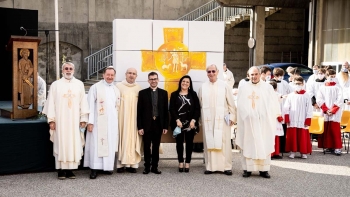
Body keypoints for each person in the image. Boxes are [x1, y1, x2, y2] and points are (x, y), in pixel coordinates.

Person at [43, 62, 89, 179]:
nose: (68, 71)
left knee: (74, 143)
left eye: (70, 69)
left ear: (74, 70)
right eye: (66, 69)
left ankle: (71, 170)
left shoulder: (79, 84)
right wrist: (51, 120)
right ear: (62, 70)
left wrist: (83, 118)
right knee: (61, 142)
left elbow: (83, 102)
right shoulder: (55, 85)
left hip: (75, 120)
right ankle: (61, 169)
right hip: (61, 120)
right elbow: (51, 103)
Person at [236, 66, 280, 179]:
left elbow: (273, 104)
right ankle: (247, 169)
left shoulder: (268, 88)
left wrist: (267, 115)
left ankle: (264, 169)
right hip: (248, 122)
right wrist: (248, 114)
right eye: (251, 74)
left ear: (260, 74)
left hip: (263, 122)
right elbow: (240, 105)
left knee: (264, 143)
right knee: (248, 144)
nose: (254, 76)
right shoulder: (244, 88)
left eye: (256, 74)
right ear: (248, 75)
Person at [198, 64, 236, 176]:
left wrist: (232, 117)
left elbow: (231, 104)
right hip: (208, 120)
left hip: (223, 119)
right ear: (207, 73)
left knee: (224, 142)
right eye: (209, 72)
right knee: (210, 141)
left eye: (213, 71)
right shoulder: (203, 87)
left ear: (217, 72)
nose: (211, 73)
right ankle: (210, 166)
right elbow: (200, 104)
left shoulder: (224, 86)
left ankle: (226, 167)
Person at [84, 66, 120, 179]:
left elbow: (116, 107)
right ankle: (94, 168)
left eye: (112, 75)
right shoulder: (95, 87)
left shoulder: (116, 89)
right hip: (98, 122)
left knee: (109, 144)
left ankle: (107, 167)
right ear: (103, 75)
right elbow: (89, 105)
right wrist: (89, 122)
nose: (110, 77)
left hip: (111, 123)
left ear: (114, 76)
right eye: (108, 75)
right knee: (96, 145)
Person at [137, 72, 169, 174]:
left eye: (155, 79)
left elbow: (165, 111)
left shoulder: (164, 93)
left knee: (156, 146)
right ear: (148, 81)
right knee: (146, 146)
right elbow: (139, 111)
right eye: (151, 79)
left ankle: (155, 167)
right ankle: (147, 167)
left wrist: (165, 126)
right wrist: (140, 126)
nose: (153, 81)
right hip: (146, 124)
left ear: (158, 80)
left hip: (158, 124)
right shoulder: (142, 93)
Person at [169, 75, 200, 173]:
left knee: (189, 143)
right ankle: (180, 162)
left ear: (190, 84)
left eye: (187, 82)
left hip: (190, 124)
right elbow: (172, 109)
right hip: (178, 123)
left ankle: (188, 162)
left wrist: (194, 120)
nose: (185, 83)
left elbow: (197, 109)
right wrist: (177, 120)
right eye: (183, 81)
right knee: (179, 143)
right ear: (180, 83)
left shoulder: (193, 94)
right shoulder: (174, 94)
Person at [116, 68, 142, 173]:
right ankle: (120, 164)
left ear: (136, 76)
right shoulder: (118, 87)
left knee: (134, 139)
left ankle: (133, 164)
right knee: (122, 138)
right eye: (129, 73)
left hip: (135, 119)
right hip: (122, 118)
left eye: (134, 74)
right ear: (125, 74)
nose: (131, 75)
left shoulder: (139, 88)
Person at [284, 76, 313, 159]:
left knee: (302, 136)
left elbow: (309, 109)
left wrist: (308, 120)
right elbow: (286, 107)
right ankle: (292, 151)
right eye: (296, 84)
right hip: (293, 118)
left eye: (299, 84)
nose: (298, 85)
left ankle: (303, 152)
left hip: (302, 118)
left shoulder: (306, 95)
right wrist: (287, 118)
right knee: (292, 135)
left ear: (303, 84)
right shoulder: (290, 95)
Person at [316, 69, 343, 156]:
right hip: (326, 111)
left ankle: (337, 148)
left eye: (334, 77)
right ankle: (328, 146)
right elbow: (319, 99)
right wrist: (326, 109)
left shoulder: (338, 87)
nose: (333, 78)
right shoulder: (322, 87)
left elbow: (340, 99)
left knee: (334, 129)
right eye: (331, 77)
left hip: (335, 112)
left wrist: (332, 110)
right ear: (327, 76)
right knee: (326, 129)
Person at [270, 67, 293, 157]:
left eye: (282, 76)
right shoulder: (270, 83)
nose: (281, 77)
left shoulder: (284, 83)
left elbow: (291, 91)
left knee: (282, 128)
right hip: (273, 109)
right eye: (279, 76)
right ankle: (273, 150)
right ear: (275, 75)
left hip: (282, 107)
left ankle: (282, 147)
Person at [268, 81, 284, 159]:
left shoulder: (276, 95)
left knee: (275, 136)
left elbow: (280, 98)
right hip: (270, 118)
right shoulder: (266, 96)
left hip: (275, 117)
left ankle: (275, 153)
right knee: (271, 136)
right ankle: (271, 153)